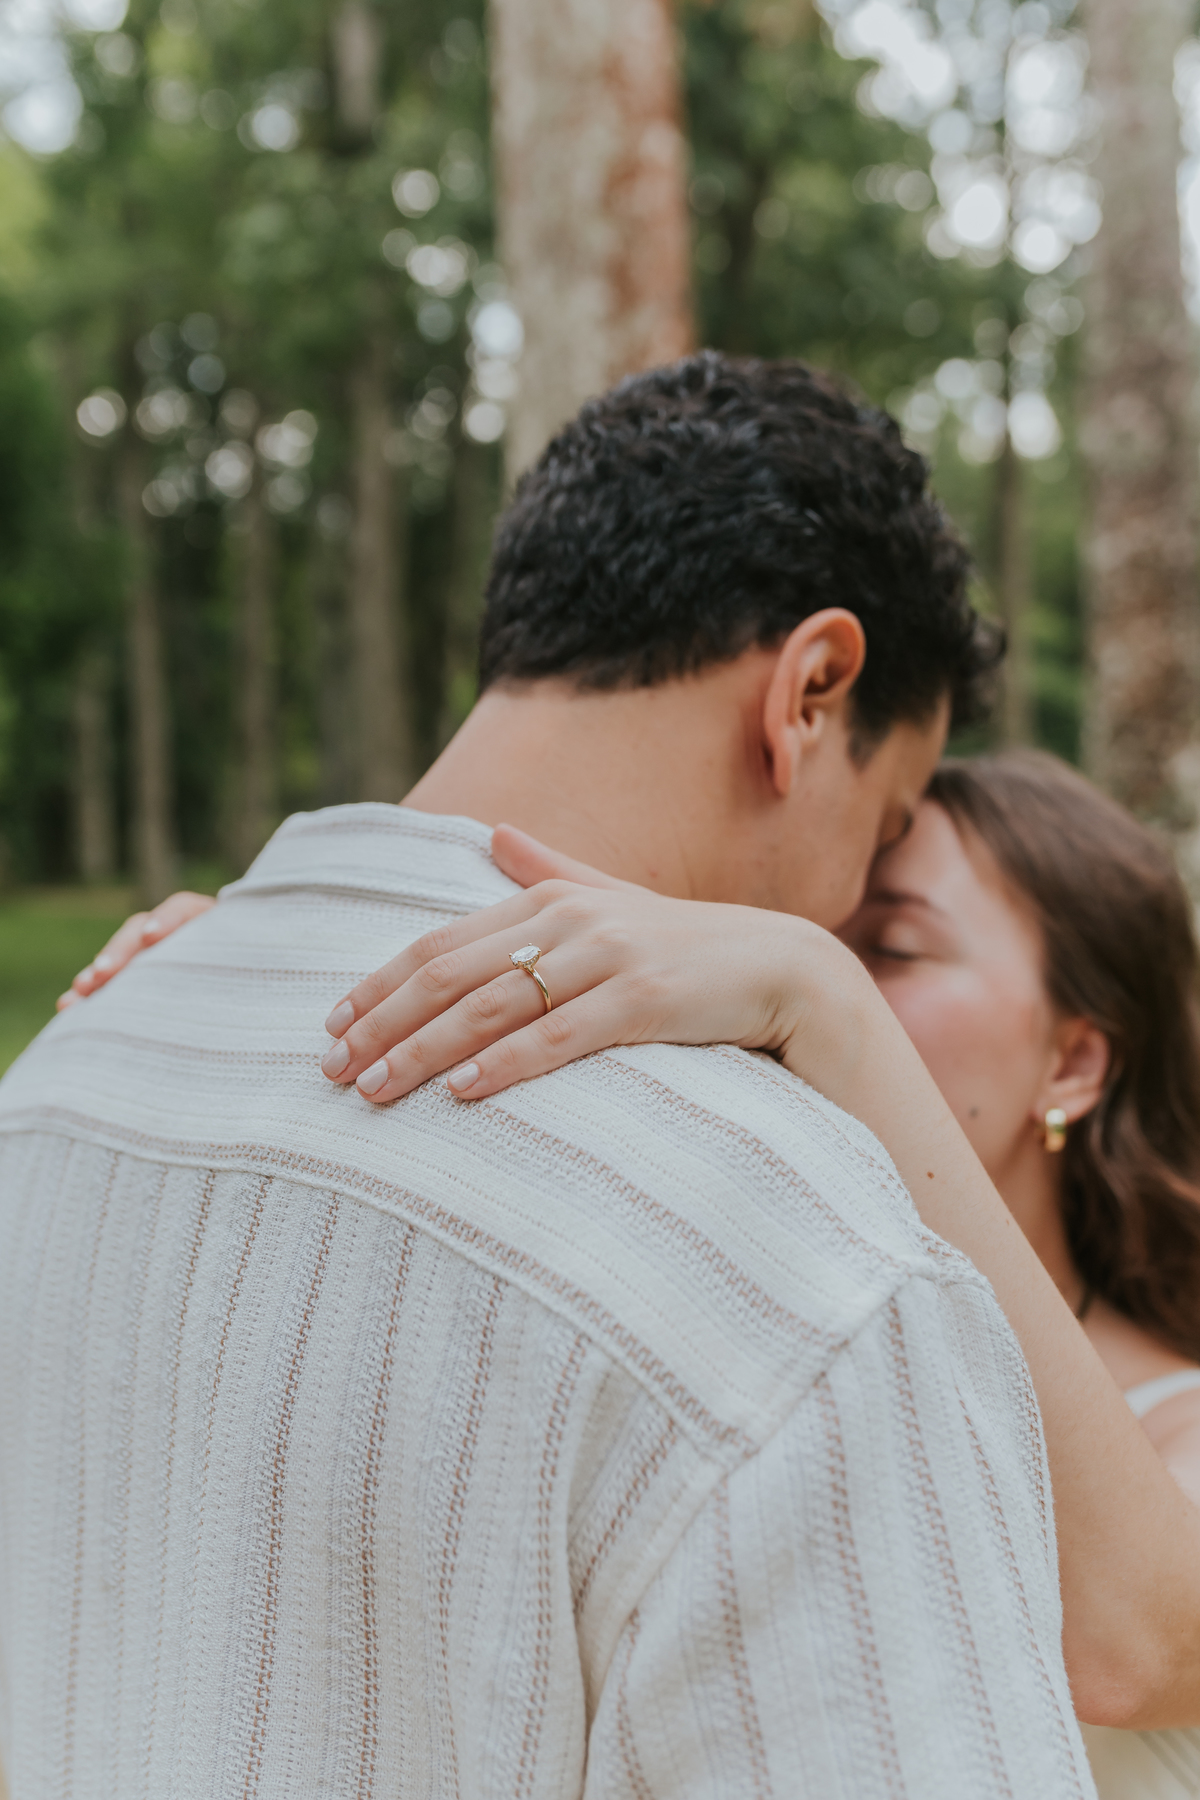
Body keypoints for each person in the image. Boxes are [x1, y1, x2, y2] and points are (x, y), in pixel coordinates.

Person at [0, 352, 1126, 1796]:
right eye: (887, 816)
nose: (846, 906)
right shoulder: (788, 1252)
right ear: (811, 690)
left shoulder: (67, 1067)